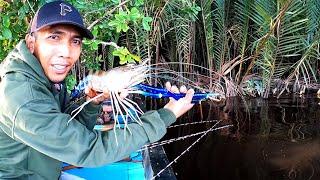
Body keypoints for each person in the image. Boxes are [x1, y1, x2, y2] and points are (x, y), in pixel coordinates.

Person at [0, 1, 194, 179]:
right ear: (31, 43)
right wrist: (167, 114)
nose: (66, 52)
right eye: (54, 37)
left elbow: (68, 128)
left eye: (75, 41)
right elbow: (89, 150)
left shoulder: (43, 76)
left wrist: (92, 103)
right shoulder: (22, 95)